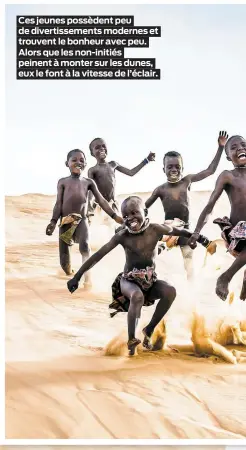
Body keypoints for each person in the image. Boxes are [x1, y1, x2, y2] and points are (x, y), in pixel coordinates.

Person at [67, 196, 214, 355]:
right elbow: (98, 256)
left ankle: (149, 330)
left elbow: (180, 231)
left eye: (134, 213)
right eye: (125, 216)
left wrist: (202, 239)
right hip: (128, 281)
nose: (130, 218)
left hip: (150, 281)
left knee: (170, 291)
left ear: (144, 211)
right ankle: (132, 339)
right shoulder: (122, 236)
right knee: (137, 296)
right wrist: (77, 276)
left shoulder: (156, 229)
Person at [145, 131, 228, 280]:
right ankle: (150, 280)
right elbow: (143, 208)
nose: (174, 169)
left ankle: (191, 294)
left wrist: (221, 147)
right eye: (169, 167)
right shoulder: (160, 189)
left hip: (186, 232)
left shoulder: (187, 181)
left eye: (177, 166)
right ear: (163, 169)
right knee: (153, 254)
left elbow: (210, 171)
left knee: (189, 265)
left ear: (182, 168)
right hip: (168, 230)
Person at [46, 149, 123, 286]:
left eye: (81, 160)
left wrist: (114, 216)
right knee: (64, 263)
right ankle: (70, 272)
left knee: (85, 247)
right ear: (67, 163)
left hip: (81, 220)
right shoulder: (63, 182)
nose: (78, 163)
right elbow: (59, 203)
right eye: (74, 160)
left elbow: (101, 200)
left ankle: (87, 277)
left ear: (86, 163)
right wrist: (53, 221)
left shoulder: (88, 183)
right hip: (66, 222)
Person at [188, 135, 246, 302]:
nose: (240, 148)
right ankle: (225, 277)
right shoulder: (228, 175)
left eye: (243, 145)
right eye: (234, 147)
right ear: (228, 157)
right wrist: (196, 232)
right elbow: (210, 205)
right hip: (237, 234)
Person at [87, 137, 155, 225]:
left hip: (113, 205)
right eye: (97, 147)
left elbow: (131, 172)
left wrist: (146, 160)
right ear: (92, 153)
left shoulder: (113, 164)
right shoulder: (92, 170)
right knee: (100, 230)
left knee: (118, 228)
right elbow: (91, 191)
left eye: (104, 146)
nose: (102, 149)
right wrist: (89, 208)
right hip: (100, 207)